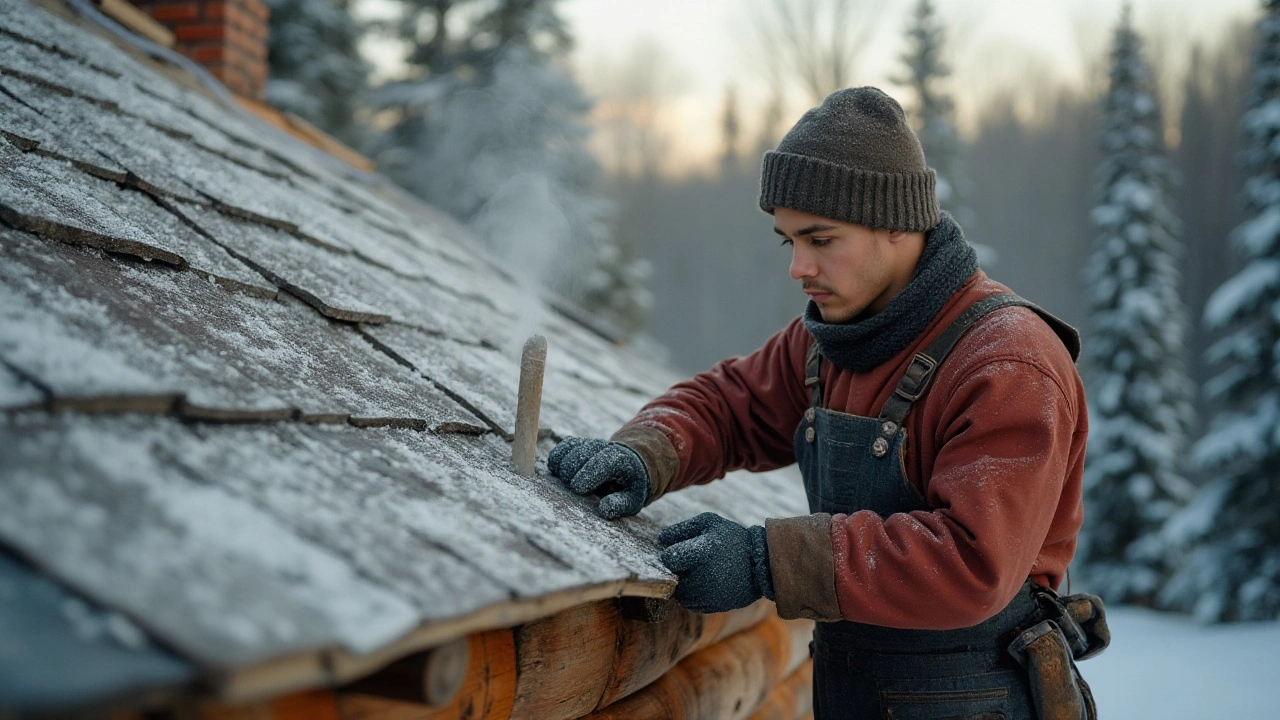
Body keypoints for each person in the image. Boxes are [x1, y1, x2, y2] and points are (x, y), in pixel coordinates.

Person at [548, 87, 1094, 720]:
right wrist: (645, 454)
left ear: (897, 222)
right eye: (788, 242)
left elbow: (972, 561)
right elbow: (729, 406)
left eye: (821, 239)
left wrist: (767, 560)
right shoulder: (830, 341)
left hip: (983, 699)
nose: (798, 267)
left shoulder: (1007, 362)